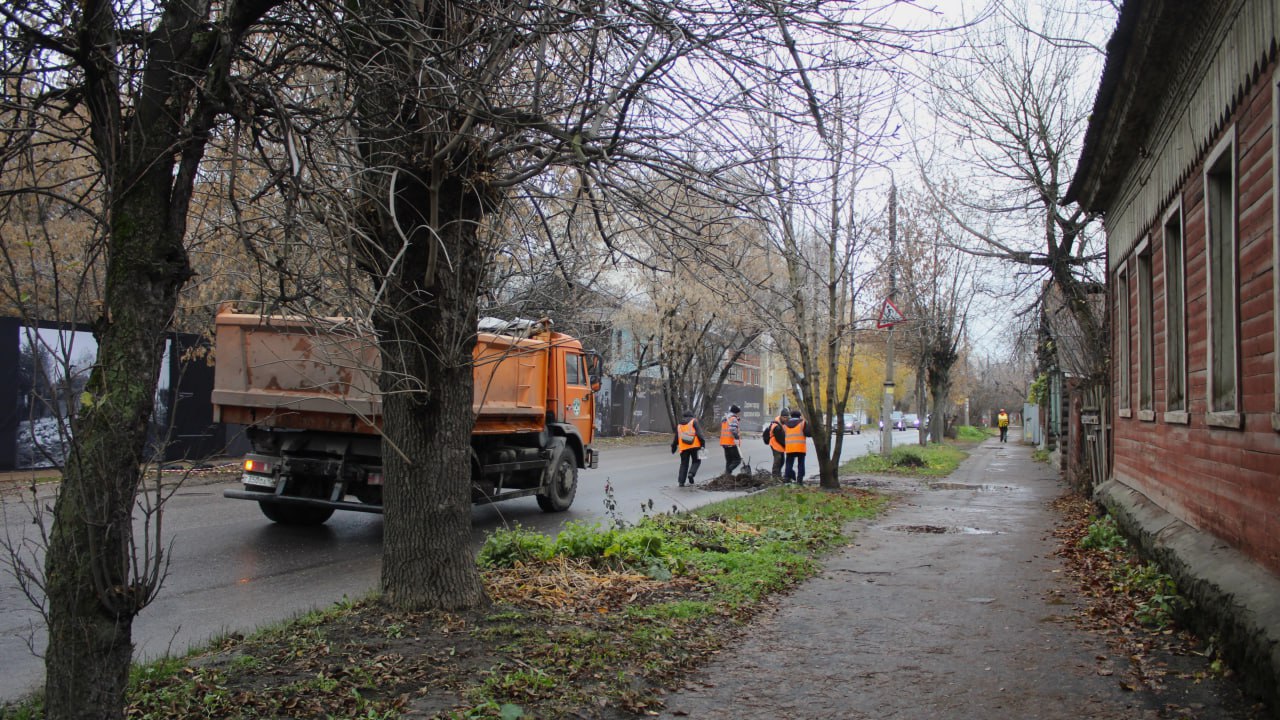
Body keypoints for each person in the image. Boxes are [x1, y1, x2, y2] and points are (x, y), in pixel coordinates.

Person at [671, 410, 705, 487]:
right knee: (696, 461)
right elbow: (700, 434)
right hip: (695, 446)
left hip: (683, 447)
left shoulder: (679, 425)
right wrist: (703, 444)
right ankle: (691, 473)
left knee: (684, 464)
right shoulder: (694, 421)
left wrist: (673, 447)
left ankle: (681, 482)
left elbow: (676, 438)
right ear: (692, 416)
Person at [782, 409, 810, 484]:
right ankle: (799, 479)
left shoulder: (785, 424)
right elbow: (808, 434)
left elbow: (783, 435)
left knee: (789, 463)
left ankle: (787, 478)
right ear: (799, 416)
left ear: (791, 416)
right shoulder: (803, 423)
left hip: (790, 448)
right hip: (800, 447)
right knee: (801, 463)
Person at [763, 407, 789, 478]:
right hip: (775, 444)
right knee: (778, 459)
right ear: (781, 416)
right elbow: (780, 439)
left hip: (780, 444)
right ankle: (774, 476)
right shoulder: (776, 426)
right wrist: (787, 445)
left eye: (787, 417)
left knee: (782, 460)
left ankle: (778, 474)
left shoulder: (783, 423)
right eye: (784, 417)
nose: (786, 419)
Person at [720, 404, 742, 475]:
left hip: (724, 443)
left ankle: (727, 477)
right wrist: (736, 438)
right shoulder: (733, 419)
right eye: (738, 413)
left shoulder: (725, 419)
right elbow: (733, 430)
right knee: (737, 460)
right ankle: (727, 472)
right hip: (731, 443)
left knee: (729, 461)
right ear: (736, 412)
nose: (739, 414)